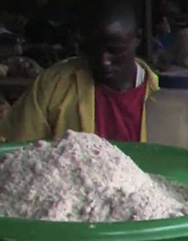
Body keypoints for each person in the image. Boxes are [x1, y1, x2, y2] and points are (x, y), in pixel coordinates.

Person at [1, 0, 159, 143]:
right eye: (93, 49)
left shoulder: (162, 97)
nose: (104, 61)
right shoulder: (53, 84)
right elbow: (16, 148)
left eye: (115, 50)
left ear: (137, 38)